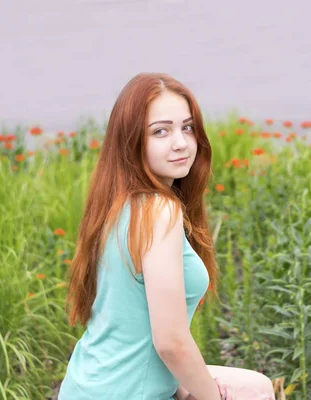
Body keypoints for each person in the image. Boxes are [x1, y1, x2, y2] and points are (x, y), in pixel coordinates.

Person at [58, 73, 275, 399]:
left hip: (89, 385)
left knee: (256, 388)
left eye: (186, 127)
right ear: (132, 142)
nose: (180, 142)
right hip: (124, 392)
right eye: (160, 131)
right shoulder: (159, 211)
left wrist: (185, 387)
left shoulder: (120, 204)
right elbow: (171, 342)